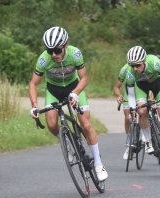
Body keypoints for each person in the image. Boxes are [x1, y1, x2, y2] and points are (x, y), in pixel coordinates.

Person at [29, 26, 108, 181]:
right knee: (51, 125)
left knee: (85, 124)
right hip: (53, 90)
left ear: (65, 46)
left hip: (74, 87)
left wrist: (75, 93)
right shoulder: (44, 59)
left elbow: (84, 78)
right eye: (49, 50)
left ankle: (98, 164)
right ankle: (69, 145)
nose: (53, 54)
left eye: (57, 50)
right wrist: (34, 105)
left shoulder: (75, 54)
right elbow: (33, 84)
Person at [125, 46, 160, 159]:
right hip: (141, 87)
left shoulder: (155, 62)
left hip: (157, 85)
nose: (135, 69)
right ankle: (148, 141)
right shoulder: (130, 73)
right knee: (142, 111)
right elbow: (130, 94)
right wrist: (133, 108)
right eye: (132, 66)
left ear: (144, 61)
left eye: (137, 65)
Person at [113, 65, 139, 159]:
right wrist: (119, 96)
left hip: (142, 92)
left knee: (144, 112)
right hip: (129, 94)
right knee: (127, 118)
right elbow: (116, 87)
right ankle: (128, 144)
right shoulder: (124, 69)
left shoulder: (145, 67)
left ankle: (146, 137)